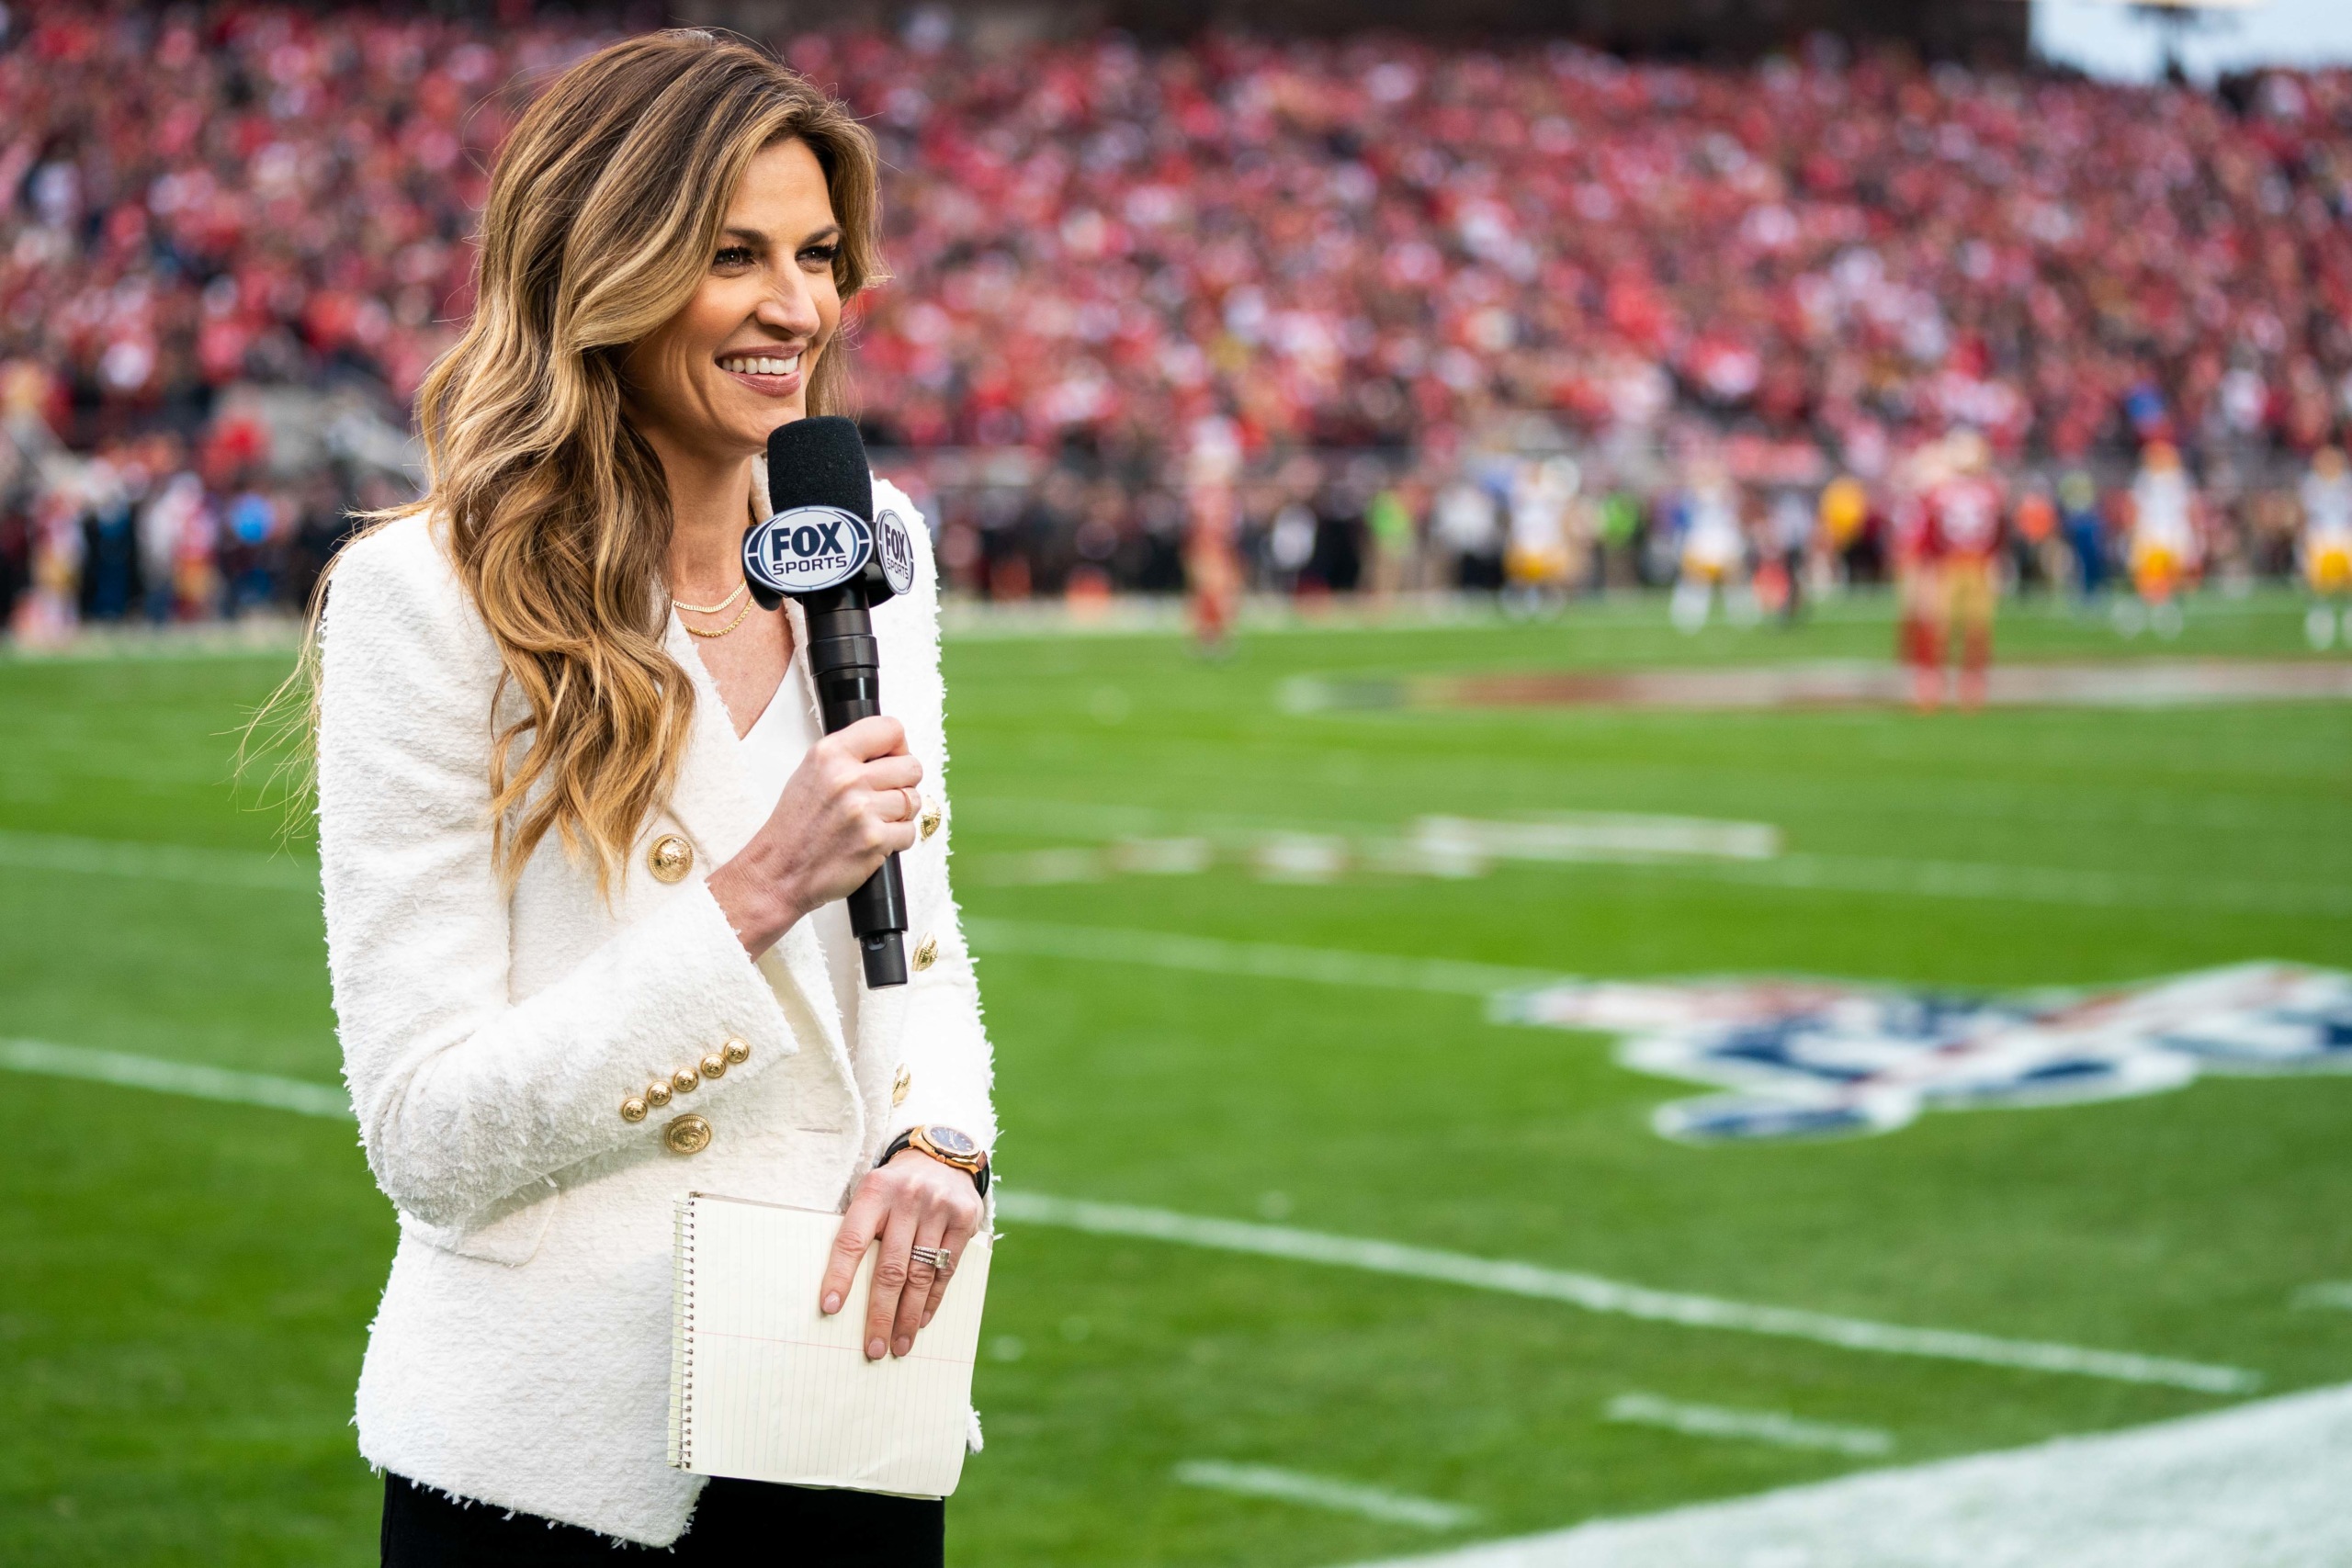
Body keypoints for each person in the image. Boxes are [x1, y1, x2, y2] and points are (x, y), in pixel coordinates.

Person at [290, 35, 994, 1563]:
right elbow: (428, 1132)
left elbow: (919, 949)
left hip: (843, 1406)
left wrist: (943, 1142)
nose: (798, 307)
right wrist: (750, 895)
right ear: (604, 263)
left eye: (817, 255)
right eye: (731, 256)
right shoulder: (424, 597)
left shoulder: (870, 536)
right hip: (554, 1466)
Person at [2125, 440, 2198, 638]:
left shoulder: (2179, 479)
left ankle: (2165, 610)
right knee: (2149, 578)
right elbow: (2137, 508)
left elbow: (2186, 509)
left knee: (2173, 577)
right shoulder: (2145, 479)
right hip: (2153, 533)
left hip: (2171, 533)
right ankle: (2147, 611)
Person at [2299, 446, 2352, 649]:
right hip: (2321, 536)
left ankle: (2348, 617)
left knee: (2348, 583)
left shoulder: (2346, 483)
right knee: (2320, 585)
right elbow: (2307, 514)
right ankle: (2321, 619)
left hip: (2344, 535)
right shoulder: (2312, 484)